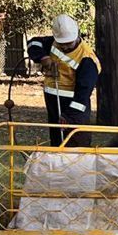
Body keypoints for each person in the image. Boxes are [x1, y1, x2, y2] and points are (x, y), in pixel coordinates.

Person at [26, 15, 100, 146]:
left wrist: (70, 116)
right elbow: (33, 43)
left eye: (69, 43)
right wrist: (42, 57)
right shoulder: (53, 43)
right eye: (62, 44)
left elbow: (83, 95)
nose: (65, 47)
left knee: (75, 145)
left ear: (77, 35)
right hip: (54, 102)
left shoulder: (86, 59)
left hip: (73, 107)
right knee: (57, 143)